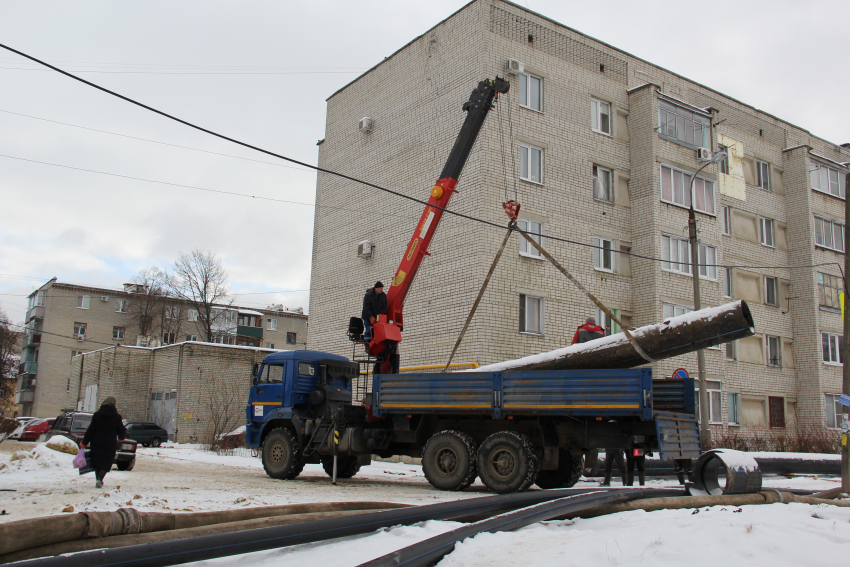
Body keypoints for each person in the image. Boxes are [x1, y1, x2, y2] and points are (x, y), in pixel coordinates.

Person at [80, 396, 127, 488]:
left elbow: (91, 430)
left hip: (96, 443)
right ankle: (100, 478)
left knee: (97, 461)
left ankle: (98, 479)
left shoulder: (97, 415)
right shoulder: (116, 417)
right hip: (110, 443)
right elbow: (121, 429)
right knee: (107, 461)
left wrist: (84, 442)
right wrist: (122, 437)